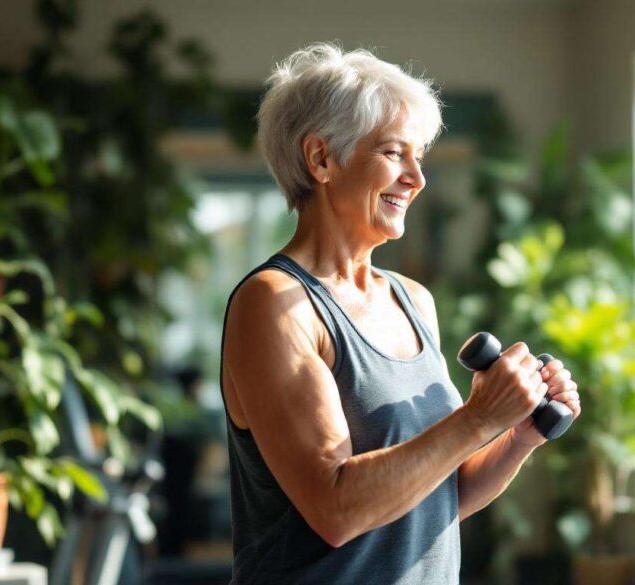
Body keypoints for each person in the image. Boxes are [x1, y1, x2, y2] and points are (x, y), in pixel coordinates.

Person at [220, 43, 581, 584]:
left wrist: (518, 434)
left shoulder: (413, 300)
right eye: (393, 153)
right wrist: (478, 417)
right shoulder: (275, 304)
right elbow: (336, 510)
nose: (417, 177)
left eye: (420, 157)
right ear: (320, 159)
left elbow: (431, 499)